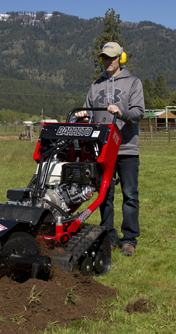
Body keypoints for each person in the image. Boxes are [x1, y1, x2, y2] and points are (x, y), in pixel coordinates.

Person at [75, 41, 145, 256]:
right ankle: (108, 236)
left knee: (130, 194)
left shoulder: (133, 83)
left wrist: (121, 112)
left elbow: (138, 113)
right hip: (102, 149)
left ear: (121, 59)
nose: (108, 61)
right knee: (104, 194)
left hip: (126, 148)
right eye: (105, 57)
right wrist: (83, 117)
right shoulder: (95, 85)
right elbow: (89, 113)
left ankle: (129, 239)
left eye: (112, 58)